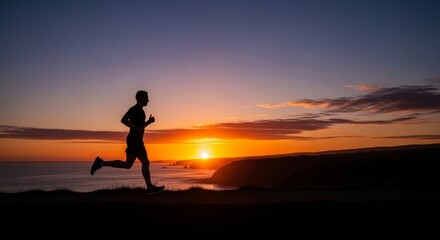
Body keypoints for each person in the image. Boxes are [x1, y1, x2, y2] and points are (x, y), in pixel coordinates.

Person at [90, 90, 165, 194]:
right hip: (134, 140)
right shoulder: (134, 109)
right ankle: (149, 187)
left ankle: (101, 163)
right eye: (146, 97)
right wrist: (134, 127)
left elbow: (140, 127)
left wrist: (148, 122)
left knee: (128, 164)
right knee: (145, 162)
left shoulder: (140, 110)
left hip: (135, 140)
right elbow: (124, 120)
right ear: (140, 98)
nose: (148, 100)